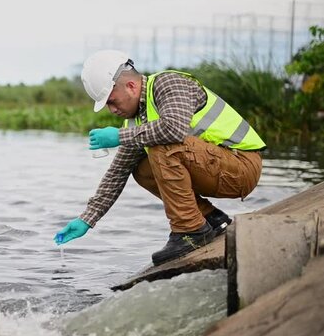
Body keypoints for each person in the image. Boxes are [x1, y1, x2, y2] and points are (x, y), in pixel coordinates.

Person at [53, 50, 266, 266]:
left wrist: (118, 136)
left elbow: (173, 129)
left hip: (241, 166)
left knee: (160, 145)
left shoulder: (169, 84)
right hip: (218, 170)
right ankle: (210, 218)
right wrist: (87, 219)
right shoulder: (136, 122)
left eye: (112, 101)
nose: (112, 109)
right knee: (141, 170)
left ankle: (190, 230)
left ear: (131, 86)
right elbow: (117, 172)